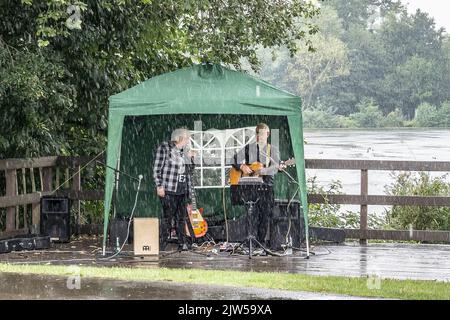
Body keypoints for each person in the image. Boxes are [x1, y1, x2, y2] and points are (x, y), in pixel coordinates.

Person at [233, 123, 280, 246]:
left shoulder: (273, 149)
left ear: (268, 134)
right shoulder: (249, 147)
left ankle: (260, 242)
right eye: (258, 134)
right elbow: (233, 159)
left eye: (263, 134)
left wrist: (263, 171)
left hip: (266, 186)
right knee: (251, 214)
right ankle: (249, 241)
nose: (260, 137)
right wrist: (242, 166)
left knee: (264, 215)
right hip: (250, 186)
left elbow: (276, 168)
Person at [153, 128, 194, 251]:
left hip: (182, 189)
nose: (188, 141)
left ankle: (183, 243)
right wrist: (159, 185)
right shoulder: (165, 148)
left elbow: (190, 171)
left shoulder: (185, 151)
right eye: (187, 139)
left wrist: (191, 159)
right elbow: (156, 168)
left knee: (181, 218)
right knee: (168, 218)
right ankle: (162, 244)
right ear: (180, 138)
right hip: (169, 188)